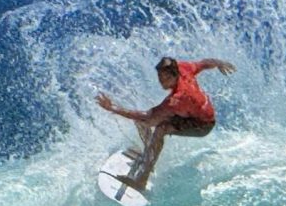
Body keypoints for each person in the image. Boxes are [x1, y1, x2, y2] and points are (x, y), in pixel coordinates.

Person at [96, 56, 236, 192]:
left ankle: (142, 180)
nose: (162, 82)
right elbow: (203, 63)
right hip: (190, 113)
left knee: (160, 128)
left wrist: (113, 108)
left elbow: (149, 117)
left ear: (175, 75)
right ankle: (148, 156)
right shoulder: (183, 68)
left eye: (166, 78)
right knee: (141, 122)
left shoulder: (178, 98)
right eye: (160, 77)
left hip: (202, 124)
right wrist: (219, 63)